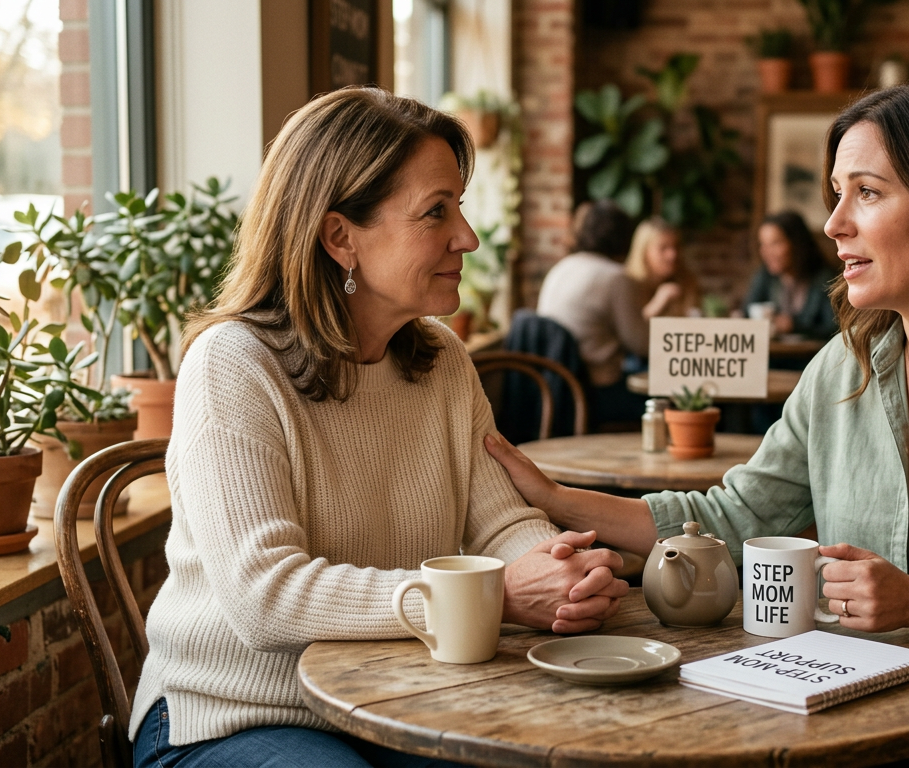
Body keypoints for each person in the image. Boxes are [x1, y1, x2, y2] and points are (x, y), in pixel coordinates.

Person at [487, 80, 909, 768]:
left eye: (866, 193)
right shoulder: (846, 366)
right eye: (836, 193)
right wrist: (556, 498)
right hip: (857, 720)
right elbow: (732, 517)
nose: (834, 223)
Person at [130, 87, 628, 768]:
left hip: (401, 702)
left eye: (459, 206)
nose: (468, 237)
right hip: (231, 715)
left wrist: (558, 571)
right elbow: (263, 598)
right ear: (341, 237)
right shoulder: (232, 365)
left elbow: (497, 524)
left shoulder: (441, 359)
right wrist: (488, 597)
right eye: (436, 212)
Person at [536, 200, 649, 422]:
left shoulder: (562, 268)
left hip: (553, 392)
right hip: (592, 393)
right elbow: (640, 343)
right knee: (668, 405)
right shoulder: (615, 277)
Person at [744, 211, 839, 339]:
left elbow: (834, 329)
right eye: (763, 245)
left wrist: (794, 325)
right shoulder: (765, 276)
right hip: (775, 356)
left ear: (797, 244)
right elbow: (747, 313)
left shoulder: (824, 278)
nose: (767, 252)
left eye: (775, 243)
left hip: (809, 357)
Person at [625, 216, 701, 319]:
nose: (672, 255)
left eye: (676, 246)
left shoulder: (687, 282)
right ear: (643, 251)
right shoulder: (626, 284)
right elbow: (628, 328)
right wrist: (657, 303)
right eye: (663, 248)